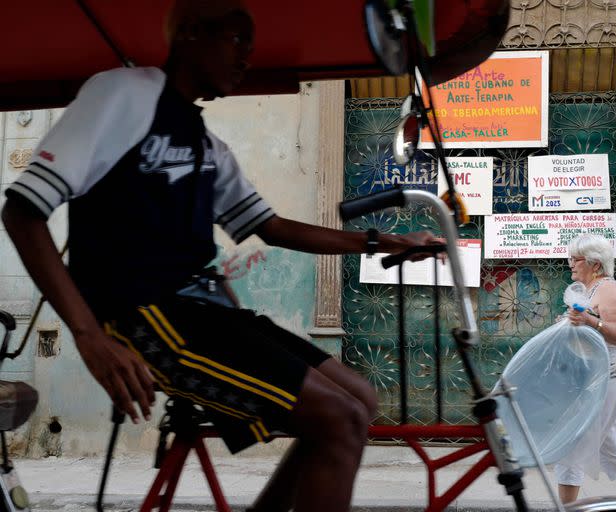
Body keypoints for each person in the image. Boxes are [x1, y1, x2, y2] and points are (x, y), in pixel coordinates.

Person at [0, 1, 443, 511]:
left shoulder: (210, 148)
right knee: (339, 420)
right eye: (238, 41)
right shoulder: (124, 92)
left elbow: (272, 228)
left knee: (359, 402)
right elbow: (22, 212)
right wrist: (89, 335)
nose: (247, 60)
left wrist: (382, 241)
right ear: (190, 33)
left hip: (205, 312)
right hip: (143, 316)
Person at [554, 233, 616, 504]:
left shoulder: (608, 289)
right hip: (596, 379)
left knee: (572, 443)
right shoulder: (589, 291)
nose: (570, 264)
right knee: (611, 445)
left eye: (575, 259)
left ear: (595, 264)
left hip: (610, 377)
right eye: (570, 258)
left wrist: (590, 321)